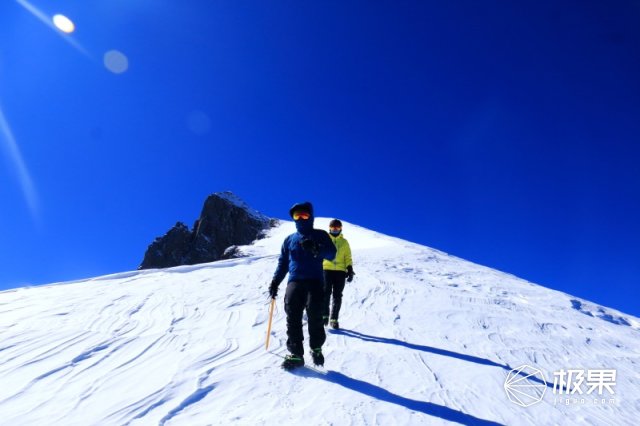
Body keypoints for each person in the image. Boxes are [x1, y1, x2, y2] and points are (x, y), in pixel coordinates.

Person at [269, 202, 337, 370]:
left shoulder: (320, 235)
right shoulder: (289, 240)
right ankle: (296, 354)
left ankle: (316, 348)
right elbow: (283, 263)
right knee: (292, 316)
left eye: (304, 215)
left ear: (310, 217)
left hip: (315, 281)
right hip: (295, 282)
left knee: (315, 316)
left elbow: (332, 254)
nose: (300, 218)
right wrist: (275, 281)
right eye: (296, 216)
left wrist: (316, 248)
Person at [322, 219, 354, 330]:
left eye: (337, 228)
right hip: (326, 269)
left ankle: (334, 319)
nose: (335, 230)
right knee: (325, 293)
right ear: (329, 228)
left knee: (337, 295)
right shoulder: (325, 239)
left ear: (341, 229)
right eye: (333, 228)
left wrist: (349, 268)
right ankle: (324, 315)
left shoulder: (344, 242)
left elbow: (348, 257)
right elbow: (320, 253)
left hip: (340, 271)